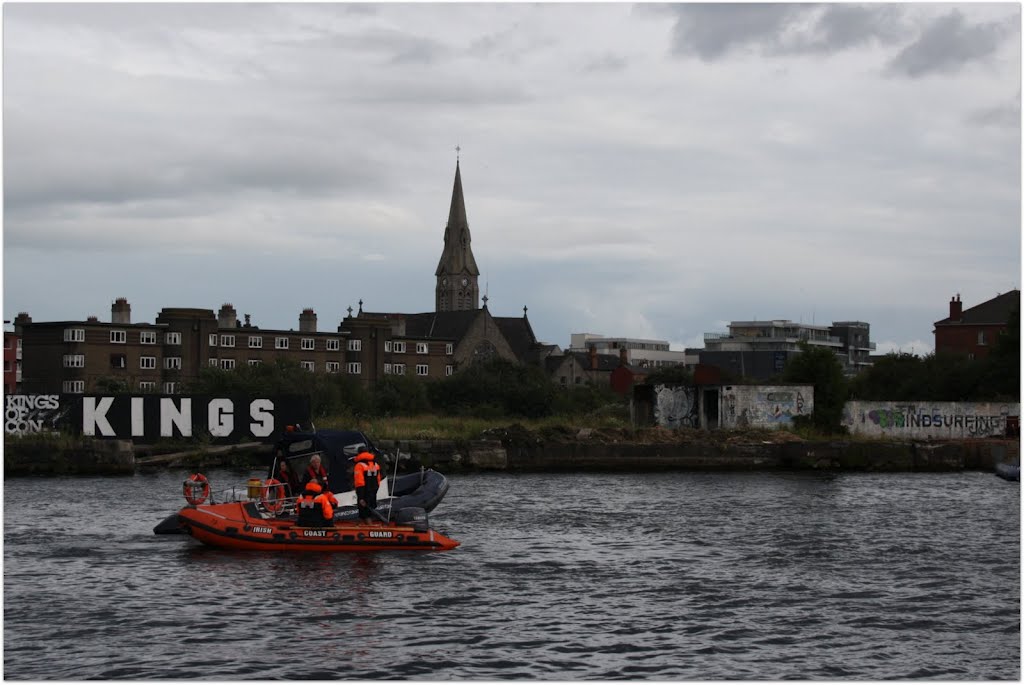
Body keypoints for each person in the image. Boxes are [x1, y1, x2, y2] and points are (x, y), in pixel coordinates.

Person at [352, 451, 382, 523]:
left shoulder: (359, 465)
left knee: (365, 513)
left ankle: (369, 528)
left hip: (364, 492)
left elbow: (360, 483)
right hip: (373, 491)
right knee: (371, 510)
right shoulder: (376, 464)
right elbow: (378, 480)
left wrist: (361, 497)